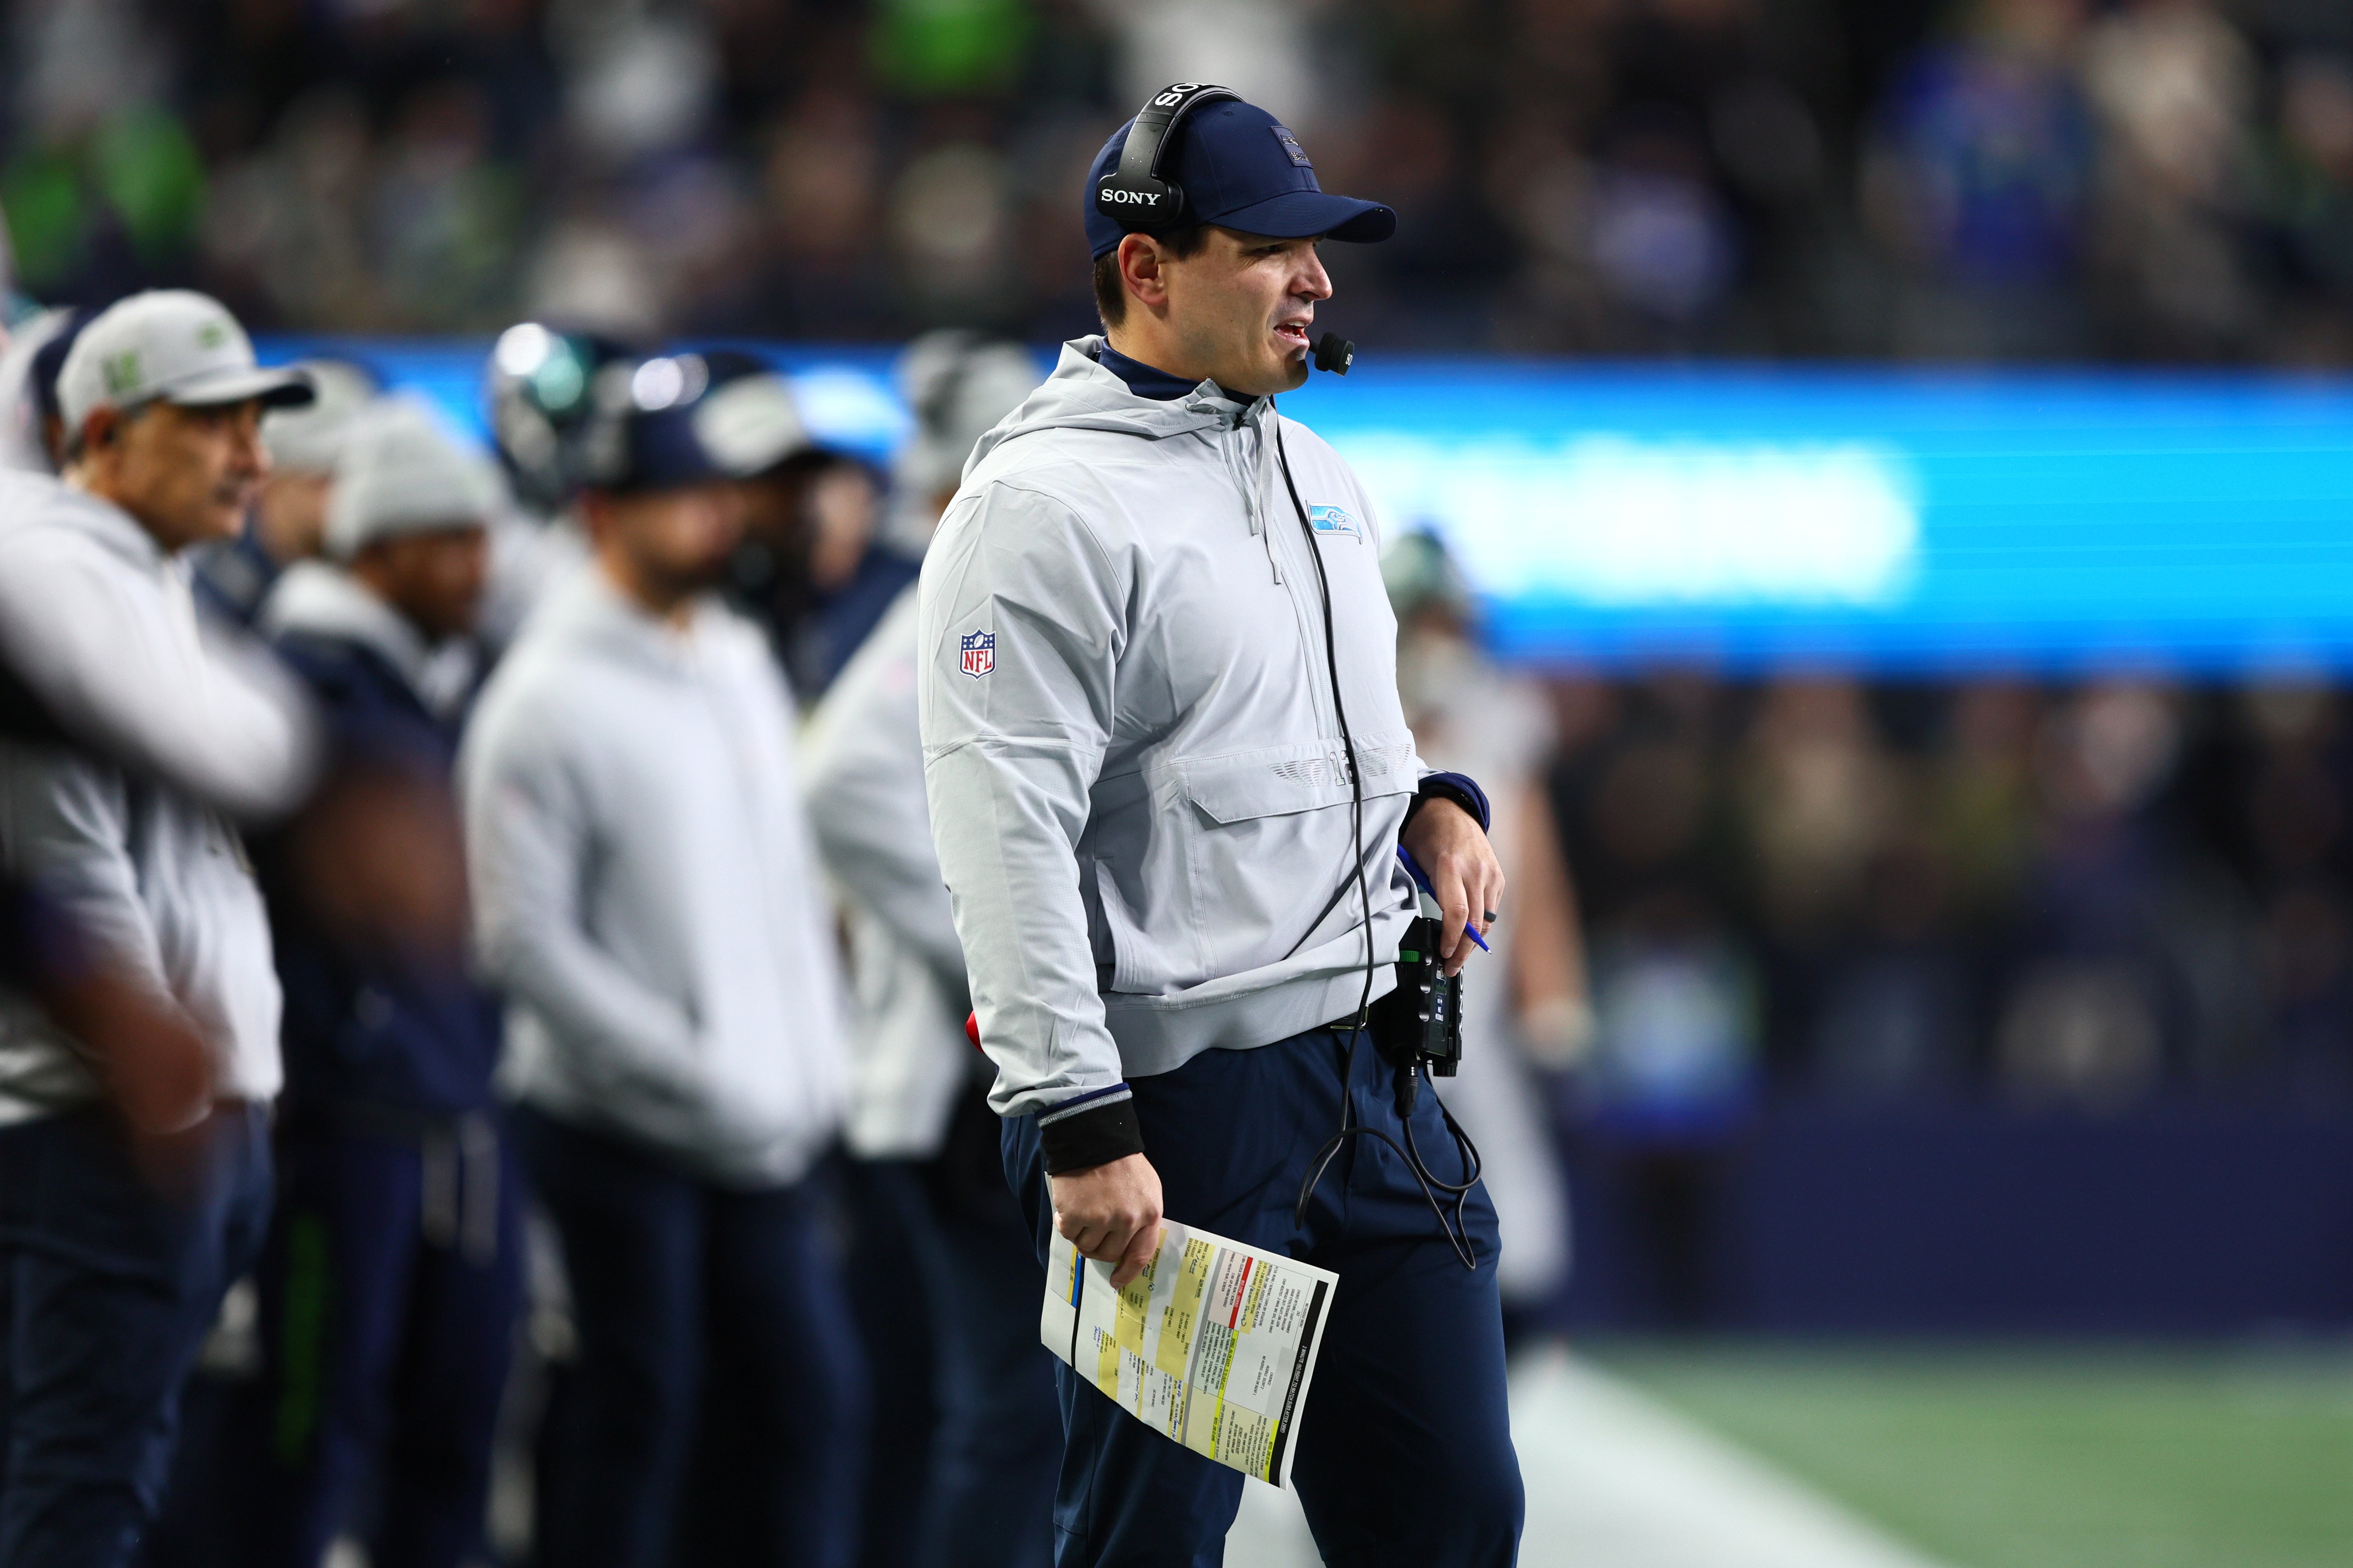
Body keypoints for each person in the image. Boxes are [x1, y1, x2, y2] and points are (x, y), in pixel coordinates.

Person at [916, 87, 1522, 1568]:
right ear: (1148, 271)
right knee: (1150, 1546)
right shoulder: (1040, 505)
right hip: (1181, 1121)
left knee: (1452, 1519)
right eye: (1270, 248)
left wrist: (1432, 803)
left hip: (1370, 1083)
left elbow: (1319, 730)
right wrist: (1079, 1120)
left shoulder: (1313, 469)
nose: (1317, 279)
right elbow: (1006, 844)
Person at [459, 356, 862, 1568]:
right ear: (598, 514)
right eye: (678, 497)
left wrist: (810, 1062)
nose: (712, 517)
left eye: (714, 493)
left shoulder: (731, 655)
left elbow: (781, 897)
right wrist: (689, 1068)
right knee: (639, 1424)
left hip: (765, 1132)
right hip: (622, 1134)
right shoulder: (542, 697)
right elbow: (521, 940)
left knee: (806, 1414)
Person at [0, 289, 315, 1567]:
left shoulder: (142, 576)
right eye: (215, 423)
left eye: (256, 423)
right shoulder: (58, 574)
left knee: (106, 1488)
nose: (253, 456)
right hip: (102, 1134)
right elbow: (64, 860)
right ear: (107, 433)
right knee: (80, 1500)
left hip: (150, 1130)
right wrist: (170, 1101)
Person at [220, 398, 517, 1567]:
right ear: (380, 547)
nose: (479, 568)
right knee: (304, 1443)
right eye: (452, 539)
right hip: (342, 1133)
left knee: (450, 1444)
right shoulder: (295, 687)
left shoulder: (427, 691)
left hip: (451, 1117)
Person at [803, 331, 1054, 1568]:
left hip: (975, 1073)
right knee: (1009, 1408)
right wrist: (1007, 954)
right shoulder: (951, 598)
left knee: (1014, 1409)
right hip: (963, 1080)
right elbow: (839, 783)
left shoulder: (983, 588)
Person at [1384, 531, 1589, 1337]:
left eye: (1451, 619)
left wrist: (1555, 1000)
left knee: (1527, 1241)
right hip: (1356, 1022)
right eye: (1426, 617)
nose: (1444, 637)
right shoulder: (1343, 698)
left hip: (1475, 1010)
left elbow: (1535, 872)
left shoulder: (1498, 717)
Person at [191, 359, 380, 626]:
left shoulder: (363, 581)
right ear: (270, 479)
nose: (357, 498)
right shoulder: (213, 594)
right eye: (330, 478)